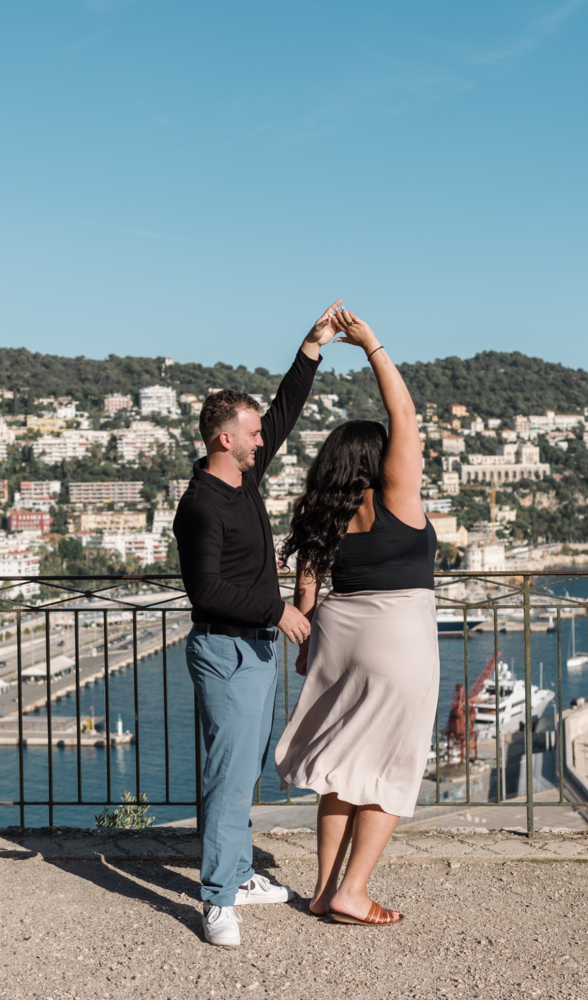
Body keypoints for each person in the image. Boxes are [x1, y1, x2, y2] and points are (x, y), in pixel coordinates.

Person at [173, 300, 344, 948]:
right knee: (226, 776)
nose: (260, 439)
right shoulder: (201, 507)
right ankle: (217, 899)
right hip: (227, 651)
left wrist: (313, 345)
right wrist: (278, 609)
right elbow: (207, 590)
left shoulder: (243, 480)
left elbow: (284, 411)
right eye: (249, 434)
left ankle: (239, 876)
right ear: (224, 439)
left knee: (240, 773)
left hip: (254, 651)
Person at [273, 309, 436, 927]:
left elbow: (307, 586)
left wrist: (305, 646)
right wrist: (373, 347)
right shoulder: (395, 496)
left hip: (340, 635)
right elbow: (407, 419)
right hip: (398, 637)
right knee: (392, 769)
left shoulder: (325, 513)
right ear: (379, 460)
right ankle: (353, 890)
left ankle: (321, 890)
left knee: (342, 768)